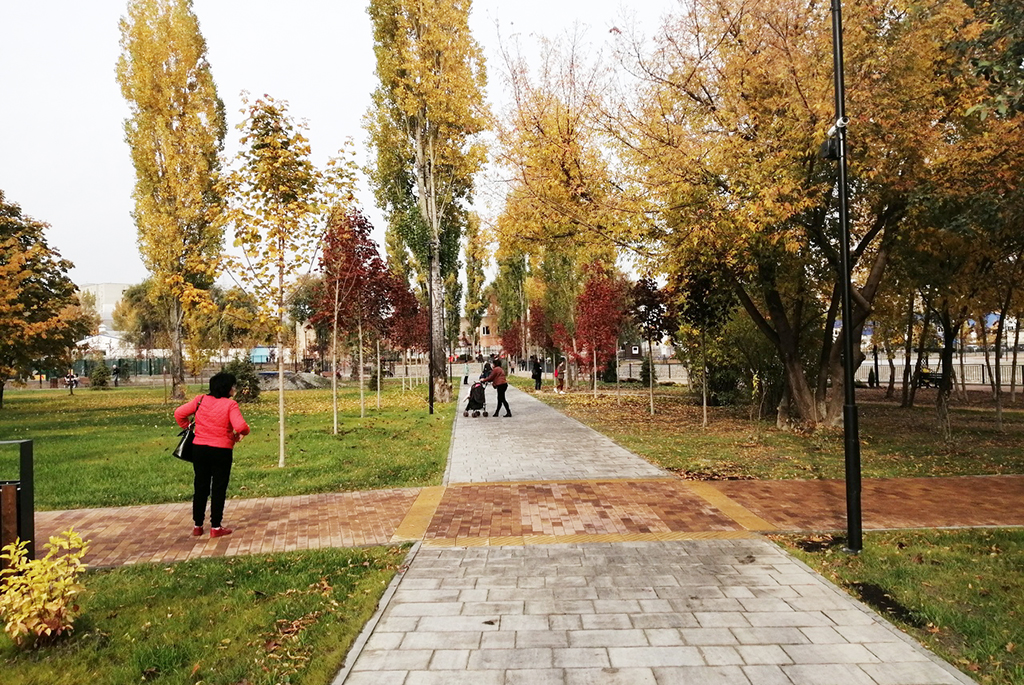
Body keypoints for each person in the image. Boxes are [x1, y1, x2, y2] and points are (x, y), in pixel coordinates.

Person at [174, 372, 250, 538]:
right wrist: (242, 433)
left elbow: (179, 413)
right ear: (227, 388)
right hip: (221, 451)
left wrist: (188, 427)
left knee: (200, 486)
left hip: (199, 449)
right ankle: (215, 527)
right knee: (218, 488)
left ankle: (198, 525)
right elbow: (241, 426)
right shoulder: (230, 405)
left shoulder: (200, 400)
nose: (234, 389)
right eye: (233, 386)